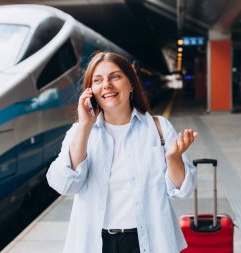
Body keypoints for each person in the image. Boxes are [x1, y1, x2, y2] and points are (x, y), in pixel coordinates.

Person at [46, 51, 198, 253]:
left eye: (115, 76)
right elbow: (64, 184)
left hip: (150, 241)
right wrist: (84, 127)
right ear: (91, 91)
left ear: (131, 83)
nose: (107, 85)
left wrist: (173, 159)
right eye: (98, 80)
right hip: (95, 243)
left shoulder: (159, 128)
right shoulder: (80, 132)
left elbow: (184, 190)